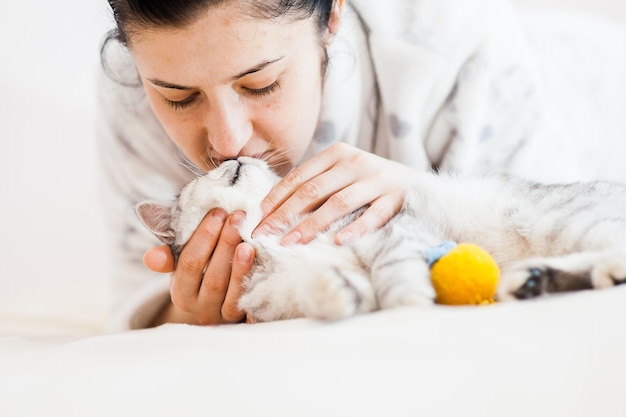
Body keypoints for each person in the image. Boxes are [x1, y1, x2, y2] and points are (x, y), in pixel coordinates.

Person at [97, 0, 626, 330]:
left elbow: (535, 215)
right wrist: (192, 308)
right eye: (180, 98)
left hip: (594, 80)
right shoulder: (133, 83)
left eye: (261, 84)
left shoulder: (453, 38)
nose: (228, 141)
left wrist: (421, 189)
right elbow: (137, 306)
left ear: (332, 15)